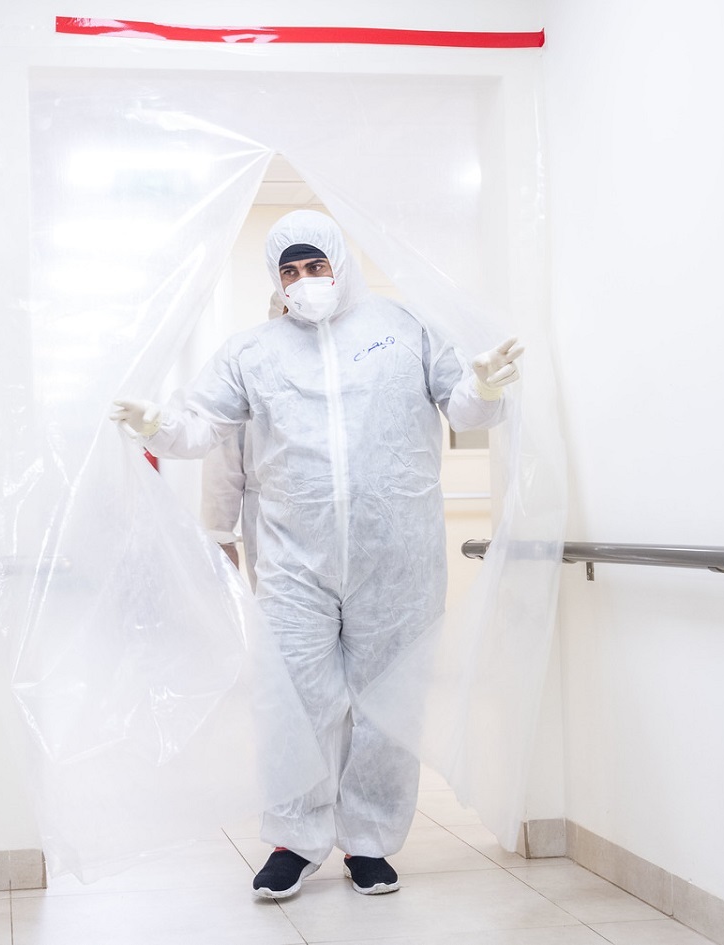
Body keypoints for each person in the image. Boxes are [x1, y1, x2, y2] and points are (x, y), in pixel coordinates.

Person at [111, 209, 523, 900]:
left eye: (316, 265)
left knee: (389, 701)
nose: (305, 281)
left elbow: (468, 410)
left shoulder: (403, 329)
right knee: (294, 703)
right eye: (291, 271)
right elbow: (202, 429)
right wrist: (159, 425)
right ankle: (294, 839)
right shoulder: (252, 352)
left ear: (342, 262)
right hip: (292, 560)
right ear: (277, 281)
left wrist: (483, 388)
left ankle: (368, 841)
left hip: (397, 555)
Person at [200, 291, 286, 584]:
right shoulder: (252, 368)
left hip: (350, 527)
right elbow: (223, 457)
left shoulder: (350, 369)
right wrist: (220, 534)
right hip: (271, 524)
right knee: (280, 622)